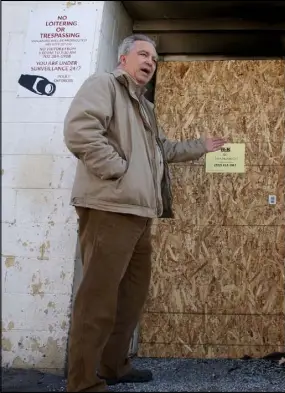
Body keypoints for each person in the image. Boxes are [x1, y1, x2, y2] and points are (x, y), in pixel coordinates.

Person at [63, 34, 226, 392]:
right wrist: (118, 170)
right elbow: (80, 131)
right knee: (98, 298)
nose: (150, 62)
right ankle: (83, 382)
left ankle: (113, 365)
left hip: (139, 214)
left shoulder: (145, 107)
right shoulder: (104, 84)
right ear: (124, 59)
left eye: (154, 57)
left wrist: (202, 147)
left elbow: (162, 150)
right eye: (143, 54)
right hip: (110, 208)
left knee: (130, 297)